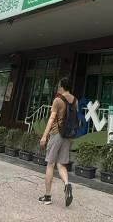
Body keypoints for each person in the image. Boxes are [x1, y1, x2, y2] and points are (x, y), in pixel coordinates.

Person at [38, 78, 76, 206]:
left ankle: (47, 196)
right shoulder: (75, 100)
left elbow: (51, 119)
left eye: (59, 86)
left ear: (61, 86)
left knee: (50, 164)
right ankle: (67, 184)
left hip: (56, 133)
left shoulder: (58, 100)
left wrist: (44, 136)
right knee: (61, 164)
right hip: (67, 135)